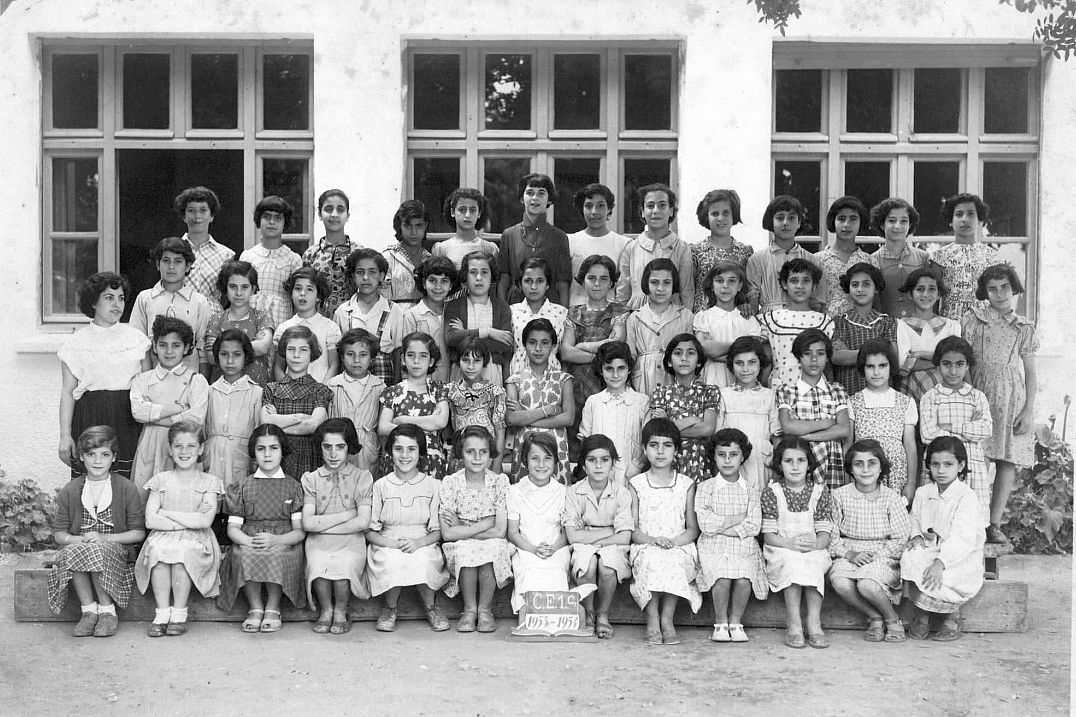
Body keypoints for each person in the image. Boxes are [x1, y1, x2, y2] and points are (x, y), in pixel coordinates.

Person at [961, 263, 1037, 543]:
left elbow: (1030, 372)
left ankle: (993, 523)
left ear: (1014, 288)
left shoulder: (1023, 326)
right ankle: (972, 521)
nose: (999, 293)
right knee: (976, 457)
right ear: (985, 292)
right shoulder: (974, 318)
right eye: (992, 289)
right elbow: (965, 359)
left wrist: (1028, 409)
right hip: (979, 389)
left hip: (1010, 394)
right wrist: (969, 394)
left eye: (1005, 287)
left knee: (1006, 460)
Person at [48, 426, 146, 637]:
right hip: (82, 545)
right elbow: (59, 533)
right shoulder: (71, 490)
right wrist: (76, 539)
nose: (97, 461)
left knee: (96, 551)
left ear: (114, 457)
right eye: (91, 454)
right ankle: (89, 611)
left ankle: (108, 611)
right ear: (82, 457)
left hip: (116, 549)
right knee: (74, 551)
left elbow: (138, 533)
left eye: (105, 455)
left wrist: (104, 538)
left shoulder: (126, 488)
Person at [58, 272, 151, 479]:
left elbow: (148, 388)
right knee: (92, 482)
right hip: (90, 416)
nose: (116, 304)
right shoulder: (75, 343)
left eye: (121, 298)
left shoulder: (138, 340)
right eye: (109, 298)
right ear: (93, 302)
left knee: (127, 482)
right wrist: (65, 436)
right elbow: (67, 393)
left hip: (128, 418)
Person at [135, 422, 223, 637]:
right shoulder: (161, 480)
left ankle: (179, 613)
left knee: (182, 553)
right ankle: (162, 612)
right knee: (157, 551)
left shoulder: (209, 482)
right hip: (162, 535)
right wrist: (189, 518)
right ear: (170, 449)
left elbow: (204, 522)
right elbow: (150, 521)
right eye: (178, 446)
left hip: (197, 539)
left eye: (191, 446)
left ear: (201, 449)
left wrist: (166, 512)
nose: (184, 452)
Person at [216, 425, 306, 633]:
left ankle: (273, 607)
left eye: (273, 448)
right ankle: (255, 606)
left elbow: (299, 532)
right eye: (261, 449)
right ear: (253, 453)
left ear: (282, 452)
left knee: (276, 554)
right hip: (249, 538)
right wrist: (248, 541)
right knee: (245, 554)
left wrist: (276, 540)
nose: (267, 454)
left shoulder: (293, 486)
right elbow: (233, 528)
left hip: (283, 541)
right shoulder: (244, 486)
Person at [366, 425, 451, 633]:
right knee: (392, 559)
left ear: (421, 452)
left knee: (422, 558)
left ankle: (431, 606)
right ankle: (390, 608)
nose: (405, 455)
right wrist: (393, 544)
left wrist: (418, 543)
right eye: (399, 449)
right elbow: (370, 531)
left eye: (411, 449)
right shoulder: (380, 486)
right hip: (389, 540)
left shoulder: (433, 485)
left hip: (423, 539)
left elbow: (438, 530)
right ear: (390, 452)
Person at [901, 436, 985, 642]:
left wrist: (941, 563)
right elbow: (913, 518)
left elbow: (962, 537)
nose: (941, 471)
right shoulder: (923, 492)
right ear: (929, 466)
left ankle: (951, 616)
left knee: (947, 576)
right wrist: (917, 536)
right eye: (935, 464)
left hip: (958, 556)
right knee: (910, 557)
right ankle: (923, 614)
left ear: (961, 465)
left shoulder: (966, 496)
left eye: (948, 464)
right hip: (931, 549)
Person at [828, 440, 912, 643]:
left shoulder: (892, 498)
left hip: (883, 554)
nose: (865, 470)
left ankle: (892, 618)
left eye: (872, 463)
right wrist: (849, 554)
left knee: (867, 584)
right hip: (849, 552)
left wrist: (877, 555)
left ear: (881, 466)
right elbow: (830, 533)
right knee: (839, 582)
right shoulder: (838, 496)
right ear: (850, 468)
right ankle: (874, 616)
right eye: (858, 464)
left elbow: (901, 538)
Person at [628, 418, 702, 646]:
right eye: (654, 445)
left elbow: (693, 529)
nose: (660, 452)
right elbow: (632, 528)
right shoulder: (636, 483)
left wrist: (674, 542)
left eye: (667, 445)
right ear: (644, 449)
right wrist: (652, 540)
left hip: (679, 544)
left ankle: (667, 619)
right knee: (652, 558)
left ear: (676, 450)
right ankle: (652, 618)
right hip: (646, 543)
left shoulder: (686, 484)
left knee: (673, 561)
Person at [695, 429, 767, 644]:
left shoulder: (752, 489)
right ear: (714, 456)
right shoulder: (705, 487)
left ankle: (736, 621)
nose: (727, 460)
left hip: (744, 544)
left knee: (744, 577)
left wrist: (722, 525)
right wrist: (737, 518)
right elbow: (705, 524)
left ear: (743, 456)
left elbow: (753, 525)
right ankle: (720, 621)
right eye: (721, 454)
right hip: (712, 544)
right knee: (722, 575)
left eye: (733, 455)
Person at [301, 418, 374, 635]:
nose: (333, 454)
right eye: (327, 447)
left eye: (340, 447)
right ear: (320, 447)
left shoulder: (361, 477)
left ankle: (341, 611)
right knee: (318, 566)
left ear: (349, 447)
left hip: (351, 541)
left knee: (344, 569)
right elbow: (307, 522)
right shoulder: (311, 479)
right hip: (319, 542)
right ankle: (326, 610)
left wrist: (321, 526)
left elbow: (363, 521)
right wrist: (347, 514)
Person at [761, 436, 834, 649]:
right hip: (781, 546)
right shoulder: (772, 492)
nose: (795, 466)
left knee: (812, 561)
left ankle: (814, 622)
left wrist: (816, 544)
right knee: (792, 562)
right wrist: (790, 543)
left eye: (800, 461)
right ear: (779, 464)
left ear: (809, 464)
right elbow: (768, 535)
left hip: (812, 546)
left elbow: (824, 533)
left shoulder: (820, 492)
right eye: (788, 461)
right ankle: (794, 623)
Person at [439, 425, 513, 633]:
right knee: (465, 549)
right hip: (461, 544)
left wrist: (462, 526)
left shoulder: (499, 482)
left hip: (491, 542)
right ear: (461, 453)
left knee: (492, 548)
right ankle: (469, 609)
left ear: (491, 454)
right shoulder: (451, 483)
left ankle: (485, 609)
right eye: (470, 452)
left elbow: (499, 531)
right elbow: (448, 534)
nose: (477, 457)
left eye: (483, 452)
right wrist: (485, 523)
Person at [562, 434, 634, 639]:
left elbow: (624, 538)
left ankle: (603, 614)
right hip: (587, 544)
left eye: (604, 460)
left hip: (612, 546)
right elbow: (572, 536)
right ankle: (588, 612)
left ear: (612, 465)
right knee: (587, 565)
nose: (598, 466)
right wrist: (610, 530)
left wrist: (591, 535)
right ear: (583, 464)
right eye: (592, 460)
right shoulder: (573, 492)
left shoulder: (621, 493)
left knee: (608, 567)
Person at [129, 316, 210, 493]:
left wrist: (153, 417)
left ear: (187, 348)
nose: (169, 351)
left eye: (176, 345)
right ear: (155, 347)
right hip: (151, 445)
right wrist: (178, 408)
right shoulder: (142, 380)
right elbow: (138, 412)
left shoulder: (196, 381)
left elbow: (195, 419)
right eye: (163, 345)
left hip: (184, 447)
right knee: (148, 499)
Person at [919, 336, 993, 523]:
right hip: (942, 464)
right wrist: (969, 431)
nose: (953, 371)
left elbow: (985, 429)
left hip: (971, 465)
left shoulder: (976, 397)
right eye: (947, 364)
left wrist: (951, 427)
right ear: (938, 366)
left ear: (967, 366)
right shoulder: (931, 397)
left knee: (968, 520)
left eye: (959, 364)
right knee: (939, 519)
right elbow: (928, 434)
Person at [560, 254, 631, 450]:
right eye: (592, 278)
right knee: (579, 437)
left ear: (612, 283)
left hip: (609, 381)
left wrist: (582, 346)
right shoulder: (573, 312)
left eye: (604, 279)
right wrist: (601, 354)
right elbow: (566, 352)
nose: (597, 284)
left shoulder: (620, 312)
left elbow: (616, 346)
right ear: (583, 280)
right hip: (579, 385)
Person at [775, 329, 851, 489]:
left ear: (827, 357)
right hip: (799, 464)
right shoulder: (787, 390)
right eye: (807, 353)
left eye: (821, 353)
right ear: (798, 357)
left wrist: (805, 436)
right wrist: (828, 423)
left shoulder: (836, 390)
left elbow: (844, 429)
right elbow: (788, 426)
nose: (814, 359)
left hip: (832, 465)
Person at [506, 433, 571, 613]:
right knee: (530, 570)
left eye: (547, 459)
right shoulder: (515, 491)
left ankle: (556, 618)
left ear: (556, 462)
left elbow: (567, 532)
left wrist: (553, 548)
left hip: (556, 547)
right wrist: (534, 549)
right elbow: (513, 533)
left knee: (556, 570)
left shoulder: (563, 492)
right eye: (535, 458)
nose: (541, 465)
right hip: (526, 548)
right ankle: (530, 617)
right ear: (525, 462)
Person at [848, 339, 918, 504]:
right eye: (870, 366)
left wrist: (911, 483)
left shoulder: (905, 402)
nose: (876, 372)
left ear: (891, 366)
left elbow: (910, 445)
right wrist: (846, 480)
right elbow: (848, 444)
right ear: (862, 368)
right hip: (864, 472)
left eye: (882, 366)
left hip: (896, 473)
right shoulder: (853, 401)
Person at [129, 236, 212, 374]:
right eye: (166, 261)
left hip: (189, 383)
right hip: (153, 381)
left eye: (178, 261)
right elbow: (138, 346)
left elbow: (203, 350)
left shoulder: (199, 302)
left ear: (188, 266)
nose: (171, 267)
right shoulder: (145, 299)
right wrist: (147, 382)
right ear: (157, 264)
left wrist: (202, 385)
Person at [505, 318, 574, 484]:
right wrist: (549, 410)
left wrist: (527, 417)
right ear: (524, 344)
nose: (538, 348)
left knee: (558, 502)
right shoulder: (514, 380)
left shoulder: (564, 379)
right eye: (532, 342)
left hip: (556, 449)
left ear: (553, 345)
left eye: (544, 343)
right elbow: (512, 419)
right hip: (525, 450)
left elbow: (568, 418)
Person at [260, 325, 332, 478]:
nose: (296, 355)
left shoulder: (320, 390)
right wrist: (299, 418)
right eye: (291, 349)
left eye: (303, 350)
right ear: (284, 352)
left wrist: (278, 424)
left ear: (312, 353)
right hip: (276, 457)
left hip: (308, 458)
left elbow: (312, 426)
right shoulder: (272, 389)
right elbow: (266, 422)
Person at [377, 332, 450, 480]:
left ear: (431, 361)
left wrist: (403, 420)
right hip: (398, 458)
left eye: (423, 355)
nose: (416, 361)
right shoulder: (392, 392)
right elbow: (383, 427)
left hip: (430, 459)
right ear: (403, 359)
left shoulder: (439, 391)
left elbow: (440, 421)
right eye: (411, 355)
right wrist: (427, 423)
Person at [649, 334, 720, 484]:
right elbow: (659, 433)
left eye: (691, 353)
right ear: (669, 361)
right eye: (678, 353)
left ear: (699, 361)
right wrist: (693, 420)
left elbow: (707, 428)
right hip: (669, 462)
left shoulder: (709, 391)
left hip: (701, 462)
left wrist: (669, 422)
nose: (684, 358)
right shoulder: (661, 393)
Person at [579, 341, 650, 485]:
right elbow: (585, 441)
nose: (615, 375)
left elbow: (649, 441)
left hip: (631, 473)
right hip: (599, 475)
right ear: (601, 370)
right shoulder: (594, 402)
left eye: (621, 368)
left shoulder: (641, 402)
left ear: (629, 369)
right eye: (609, 369)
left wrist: (637, 466)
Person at [757, 258, 834, 390]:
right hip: (780, 383)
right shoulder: (770, 319)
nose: (800, 286)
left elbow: (828, 365)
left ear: (814, 286)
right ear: (784, 284)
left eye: (806, 281)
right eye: (794, 281)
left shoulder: (824, 322)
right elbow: (765, 360)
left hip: (814, 386)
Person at [334, 248, 406, 385]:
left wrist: (395, 388)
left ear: (381, 275)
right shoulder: (343, 312)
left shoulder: (394, 311)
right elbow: (338, 355)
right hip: (349, 386)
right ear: (353, 276)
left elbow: (398, 353)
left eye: (372, 272)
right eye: (360, 272)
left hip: (384, 384)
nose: (366, 278)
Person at [616, 183, 694, 310]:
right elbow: (622, 293)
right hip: (637, 316)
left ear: (671, 211)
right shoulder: (631, 248)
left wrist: (686, 322)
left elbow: (687, 292)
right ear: (642, 211)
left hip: (672, 316)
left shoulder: (682, 248)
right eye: (650, 206)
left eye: (662, 205)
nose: (656, 211)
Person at [497, 173, 571, 306]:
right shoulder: (509, 235)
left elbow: (562, 283)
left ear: (549, 199)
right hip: (515, 305)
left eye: (541, 193)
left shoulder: (559, 237)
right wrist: (503, 312)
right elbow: (504, 279)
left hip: (550, 306)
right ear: (521, 197)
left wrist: (564, 317)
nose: (534, 198)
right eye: (530, 193)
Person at [203, 330, 264, 490]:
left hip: (241, 461)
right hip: (212, 461)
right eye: (224, 354)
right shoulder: (209, 391)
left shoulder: (256, 393)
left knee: (237, 505)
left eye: (237, 354)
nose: (230, 361)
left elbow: (259, 431)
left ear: (246, 357)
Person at [624, 258, 694, 396]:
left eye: (667, 282)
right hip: (643, 382)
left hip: (674, 380)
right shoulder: (634, 317)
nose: (660, 288)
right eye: (654, 282)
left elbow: (692, 354)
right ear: (646, 284)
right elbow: (630, 356)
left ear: (674, 284)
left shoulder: (686, 316)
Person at [718, 336, 781, 489]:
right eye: (739, 363)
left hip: (762, 461)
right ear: (731, 366)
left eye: (752, 362)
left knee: (760, 502)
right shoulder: (724, 394)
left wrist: (777, 468)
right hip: (732, 460)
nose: (745, 369)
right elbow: (717, 435)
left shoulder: (769, 395)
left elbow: (777, 436)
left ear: (761, 364)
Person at [444, 250, 514, 385]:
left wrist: (465, 334)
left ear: (492, 275)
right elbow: (451, 338)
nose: (479, 278)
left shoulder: (501, 307)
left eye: (484, 272)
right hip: (461, 370)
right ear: (465, 275)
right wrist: (488, 332)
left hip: (491, 370)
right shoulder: (454, 306)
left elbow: (505, 344)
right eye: (473, 272)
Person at [745, 195, 824, 315]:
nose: (785, 223)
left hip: (803, 319)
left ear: (799, 223)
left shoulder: (812, 260)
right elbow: (752, 297)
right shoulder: (757, 260)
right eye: (780, 218)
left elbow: (817, 301)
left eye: (791, 218)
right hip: (768, 320)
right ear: (771, 222)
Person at [830, 263, 897, 395]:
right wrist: (878, 353)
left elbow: (892, 356)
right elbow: (836, 357)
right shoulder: (839, 321)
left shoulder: (887, 321)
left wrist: (850, 353)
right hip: (849, 389)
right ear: (848, 289)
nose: (860, 289)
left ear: (876, 288)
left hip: (882, 393)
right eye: (855, 285)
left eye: (866, 284)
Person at [896, 268, 962, 403]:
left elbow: (956, 359)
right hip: (914, 390)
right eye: (920, 289)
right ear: (910, 294)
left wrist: (920, 354)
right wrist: (942, 360)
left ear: (938, 295)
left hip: (948, 393)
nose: (926, 294)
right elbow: (904, 363)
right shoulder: (901, 325)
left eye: (932, 289)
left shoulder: (951, 326)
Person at [204, 260, 275, 385]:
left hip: (255, 389)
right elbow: (211, 357)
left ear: (253, 288)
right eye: (233, 287)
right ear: (225, 287)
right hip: (222, 392)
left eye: (245, 287)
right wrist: (252, 345)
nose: (238, 293)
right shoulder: (216, 319)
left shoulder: (262, 317)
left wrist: (224, 350)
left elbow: (264, 347)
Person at [931, 193, 1000, 321]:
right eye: (959, 214)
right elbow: (932, 299)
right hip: (950, 327)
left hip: (985, 326)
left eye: (971, 214)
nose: (965, 219)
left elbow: (999, 296)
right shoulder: (939, 257)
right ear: (951, 221)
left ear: (979, 220)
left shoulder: (992, 257)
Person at [693, 260, 762, 387]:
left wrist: (718, 350)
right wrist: (740, 349)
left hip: (743, 379)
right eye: (719, 280)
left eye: (732, 281)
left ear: (740, 286)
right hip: (714, 378)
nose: (725, 286)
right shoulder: (704, 317)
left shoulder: (747, 318)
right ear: (712, 286)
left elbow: (753, 351)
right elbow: (705, 348)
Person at [325, 329, 385, 473]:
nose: (356, 360)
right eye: (350, 354)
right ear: (342, 356)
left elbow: (382, 428)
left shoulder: (380, 387)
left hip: (368, 448)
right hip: (339, 446)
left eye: (363, 355)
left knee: (365, 488)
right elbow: (326, 421)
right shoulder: (333, 385)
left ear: (371, 358)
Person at [867, 197, 935, 319]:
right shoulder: (872, 261)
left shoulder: (923, 258)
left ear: (910, 225)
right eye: (892, 221)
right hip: (886, 330)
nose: (897, 226)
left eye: (904, 221)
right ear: (882, 224)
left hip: (918, 329)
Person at [240, 195, 303, 326]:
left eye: (278, 218)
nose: (272, 222)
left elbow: (297, 299)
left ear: (285, 222)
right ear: (259, 220)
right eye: (267, 217)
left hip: (281, 321)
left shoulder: (293, 259)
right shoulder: (247, 256)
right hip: (250, 321)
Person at [446, 337, 507, 468]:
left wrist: (495, 469)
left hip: (487, 460)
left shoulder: (495, 392)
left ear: (485, 362)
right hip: (461, 459)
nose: (471, 366)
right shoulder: (450, 391)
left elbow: (500, 435)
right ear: (459, 361)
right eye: (465, 360)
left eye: (477, 361)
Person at [690, 189, 754, 312]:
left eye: (726, 213)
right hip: (703, 318)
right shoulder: (695, 251)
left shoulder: (745, 251)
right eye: (715, 213)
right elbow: (688, 289)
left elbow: (748, 289)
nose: (720, 218)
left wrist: (746, 306)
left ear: (733, 215)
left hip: (735, 317)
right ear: (706, 216)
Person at [273, 267, 340, 383]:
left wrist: (323, 391)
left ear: (318, 296)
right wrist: (285, 391)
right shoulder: (284, 328)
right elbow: (279, 366)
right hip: (290, 393)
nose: (302, 294)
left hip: (321, 390)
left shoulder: (329, 327)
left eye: (309, 289)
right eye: (298, 288)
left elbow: (334, 364)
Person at [567, 183, 629, 307]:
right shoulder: (570, 241)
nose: (594, 212)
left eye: (601, 206)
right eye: (589, 206)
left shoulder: (623, 244)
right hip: (575, 315)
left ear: (609, 208)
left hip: (610, 317)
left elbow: (624, 288)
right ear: (582, 209)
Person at [303, 189, 362, 318]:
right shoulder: (311, 254)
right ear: (319, 214)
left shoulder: (359, 253)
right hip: (317, 321)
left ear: (347, 215)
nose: (334, 214)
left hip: (352, 320)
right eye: (328, 209)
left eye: (340, 209)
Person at [174, 186, 234, 306]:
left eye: (203, 210)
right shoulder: (172, 250)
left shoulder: (226, 254)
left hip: (212, 319)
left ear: (212, 216)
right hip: (177, 317)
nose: (197, 216)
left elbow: (228, 296)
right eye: (191, 211)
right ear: (184, 216)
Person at [508, 256, 568, 376]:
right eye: (528, 281)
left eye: (540, 281)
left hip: (551, 375)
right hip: (518, 373)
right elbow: (506, 353)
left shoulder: (561, 313)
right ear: (520, 284)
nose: (534, 287)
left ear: (547, 284)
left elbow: (564, 355)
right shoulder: (511, 311)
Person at [403, 256, 457, 382]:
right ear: (423, 283)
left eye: (444, 281)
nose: (438, 287)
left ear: (451, 285)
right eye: (432, 280)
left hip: (452, 381)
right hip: (421, 383)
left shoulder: (455, 313)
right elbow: (406, 354)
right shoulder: (412, 315)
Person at [816, 196, 872, 317]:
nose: (846, 225)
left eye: (853, 219)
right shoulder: (818, 260)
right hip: (827, 326)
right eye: (841, 219)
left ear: (860, 222)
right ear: (833, 221)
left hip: (861, 327)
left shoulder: (869, 261)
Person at [431, 188, 499, 269]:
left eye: (472, 210)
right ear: (452, 212)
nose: (467, 215)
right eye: (462, 210)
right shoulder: (441, 249)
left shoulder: (490, 249)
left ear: (479, 213)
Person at [381, 199, 432, 307]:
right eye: (408, 226)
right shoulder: (388, 259)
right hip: (394, 320)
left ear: (426, 225)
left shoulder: (430, 260)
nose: (413, 232)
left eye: (418, 226)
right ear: (400, 226)